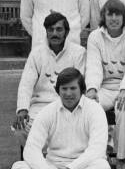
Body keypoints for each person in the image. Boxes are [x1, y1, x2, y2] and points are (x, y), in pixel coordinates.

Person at [10, 68, 111, 169]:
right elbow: (31, 148)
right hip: (53, 168)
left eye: (73, 88)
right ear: (58, 90)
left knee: (102, 167)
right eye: (64, 89)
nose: (68, 93)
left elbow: (96, 150)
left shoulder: (95, 110)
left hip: (83, 167)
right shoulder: (47, 111)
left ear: (82, 90)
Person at [85, 0, 125, 169]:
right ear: (104, 16)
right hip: (104, 87)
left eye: (117, 14)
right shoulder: (95, 36)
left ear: (124, 16)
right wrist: (92, 89)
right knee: (89, 106)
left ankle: (122, 160)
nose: (114, 18)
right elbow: (93, 66)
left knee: (123, 108)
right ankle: (96, 158)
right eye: (110, 14)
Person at [14, 12, 85, 148]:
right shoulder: (36, 53)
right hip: (39, 107)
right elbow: (26, 84)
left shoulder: (78, 53)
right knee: (19, 127)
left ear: (66, 32)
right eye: (50, 29)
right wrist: (22, 109)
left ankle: (55, 159)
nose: (54, 33)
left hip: (67, 106)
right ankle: (40, 161)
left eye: (59, 29)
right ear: (46, 31)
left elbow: (80, 86)